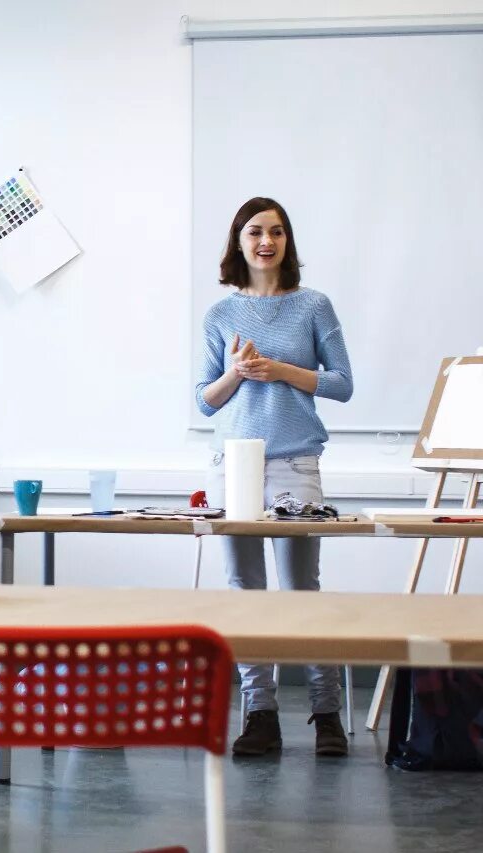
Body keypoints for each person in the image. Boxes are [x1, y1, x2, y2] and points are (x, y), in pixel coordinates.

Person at [195, 196, 354, 757]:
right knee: (246, 592)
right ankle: (259, 713)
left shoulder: (314, 305)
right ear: (239, 241)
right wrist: (238, 374)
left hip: (295, 462)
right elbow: (204, 402)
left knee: (301, 590)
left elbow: (342, 384)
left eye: (278, 232)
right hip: (233, 466)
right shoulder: (220, 315)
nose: (267, 241)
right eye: (256, 232)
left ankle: (326, 713)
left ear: (288, 243)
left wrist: (280, 369)